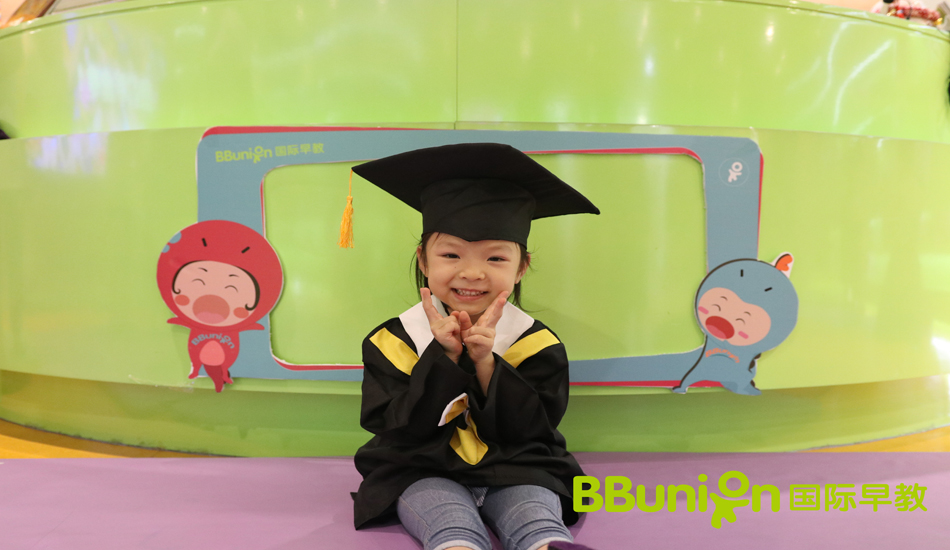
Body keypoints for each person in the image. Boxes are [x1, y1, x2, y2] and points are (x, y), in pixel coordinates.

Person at [351, 142, 600, 550]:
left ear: (521, 268)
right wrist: (445, 358)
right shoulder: (392, 341)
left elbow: (534, 431)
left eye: (495, 259)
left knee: (535, 516)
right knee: (448, 523)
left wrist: (486, 363)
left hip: (518, 467)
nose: (472, 273)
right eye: (451, 254)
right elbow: (395, 429)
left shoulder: (536, 343)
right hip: (421, 468)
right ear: (424, 261)